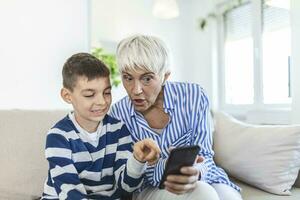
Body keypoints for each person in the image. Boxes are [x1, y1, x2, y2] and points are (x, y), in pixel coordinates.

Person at [110, 34, 243, 200]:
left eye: (147, 78)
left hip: (205, 177)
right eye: (128, 78)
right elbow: (131, 177)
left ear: (165, 76)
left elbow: (206, 155)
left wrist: (196, 172)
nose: (136, 90)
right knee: (203, 193)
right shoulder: (118, 114)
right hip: (150, 187)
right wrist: (164, 167)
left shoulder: (194, 96)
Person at [41, 53, 161, 200]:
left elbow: (127, 187)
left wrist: (137, 160)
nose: (101, 102)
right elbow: (70, 193)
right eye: (89, 95)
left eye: (107, 93)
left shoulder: (118, 130)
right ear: (67, 96)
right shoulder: (58, 136)